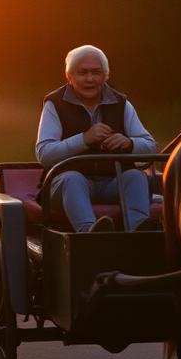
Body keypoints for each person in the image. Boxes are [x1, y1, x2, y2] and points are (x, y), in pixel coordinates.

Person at [35, 44, 158, 232]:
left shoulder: (121, 103)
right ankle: (90, 233)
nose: (90, 79)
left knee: (135, 176)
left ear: (105, 76)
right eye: (82, 73)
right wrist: (84, 139)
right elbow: (45, 154)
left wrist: (129, 143)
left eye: (96, 72)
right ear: (69, 77)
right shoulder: (54, 104)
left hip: (112, 183)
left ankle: (139, 232)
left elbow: (150, 146)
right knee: (72, 179)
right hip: (66, 187)